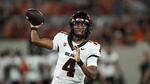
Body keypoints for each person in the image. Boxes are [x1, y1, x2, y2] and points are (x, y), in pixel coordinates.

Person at [26, 11, 102, 84]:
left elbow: (93, 75)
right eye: (77, 25)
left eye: (82, 25)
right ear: (72, 26)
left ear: (87, 27)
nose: (79, 27)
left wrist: (79, 61)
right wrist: (34, 28)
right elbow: (36, 40)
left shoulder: (92, 47)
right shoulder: (61, 38)